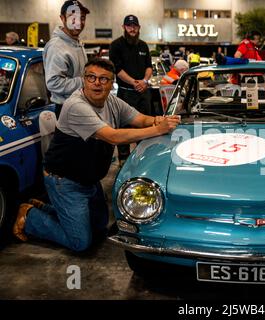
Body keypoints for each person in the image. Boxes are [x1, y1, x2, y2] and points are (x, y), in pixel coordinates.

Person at [12, 58, 180, 251]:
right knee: (80, 242)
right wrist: (158, 129)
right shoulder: (76, 105)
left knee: (100, 229)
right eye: (91, 77)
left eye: (103, 79)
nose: (97, 83)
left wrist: (159, 120)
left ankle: (47, 209)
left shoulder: (112, 101)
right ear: (84, 79)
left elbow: (140, 119)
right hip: (65, 182)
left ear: (112, 83)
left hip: (89, 180)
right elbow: (113, 137)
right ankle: (30, 216)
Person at [109, 14, 153, 166]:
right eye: (129, 26)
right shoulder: (116, 45)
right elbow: (117, 69)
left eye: (135, 26)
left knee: (145, 125)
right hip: (126, 93)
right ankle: (123, 160)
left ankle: (144, 158)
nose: (132, 29)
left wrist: (144, 81)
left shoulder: (143, 46)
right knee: (124, 126)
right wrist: (134, 83)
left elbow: (149, 66)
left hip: (143, 93)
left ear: (139, 28)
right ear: (124, 27)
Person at [43, 0, 90, 118]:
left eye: (82, 18)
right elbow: (54, 83)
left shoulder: (76, 42)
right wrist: (86, 81)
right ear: (62, 18)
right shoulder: (56, 46)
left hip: (80, 105)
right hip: (67, 110)